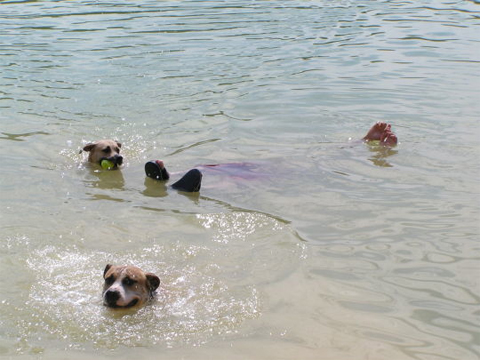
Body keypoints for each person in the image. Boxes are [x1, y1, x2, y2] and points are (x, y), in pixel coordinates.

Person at [145, 122, 398, 192]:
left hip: (278, 173)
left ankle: (179, 187)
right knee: (213, 169)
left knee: (233, 177)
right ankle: (169, 179)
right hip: (267, 169)